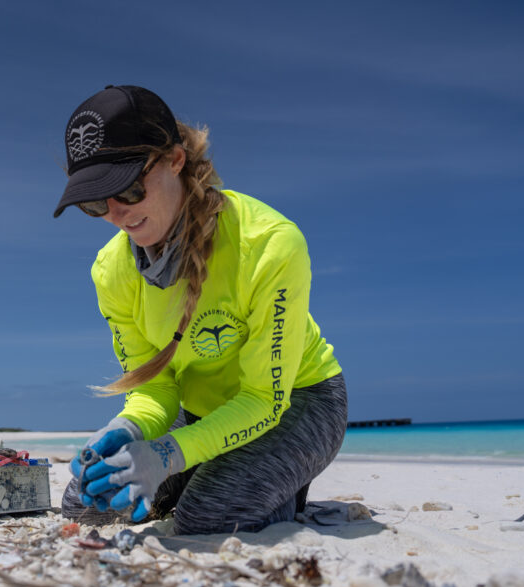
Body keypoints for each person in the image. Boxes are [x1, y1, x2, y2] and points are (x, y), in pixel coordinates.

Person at [53, 85, 347, 535]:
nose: (116, 214)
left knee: (206, 517)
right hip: (199, 408)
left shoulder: (270, 245)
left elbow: (264, 401)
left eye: (129, 189)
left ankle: (272, 476)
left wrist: (168, 455)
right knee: (86, 505)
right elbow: (155, 390)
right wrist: (127, 428)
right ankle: (217, 469)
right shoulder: (110, 271)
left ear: (175, 160)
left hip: (296, 401)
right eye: (95, 203)